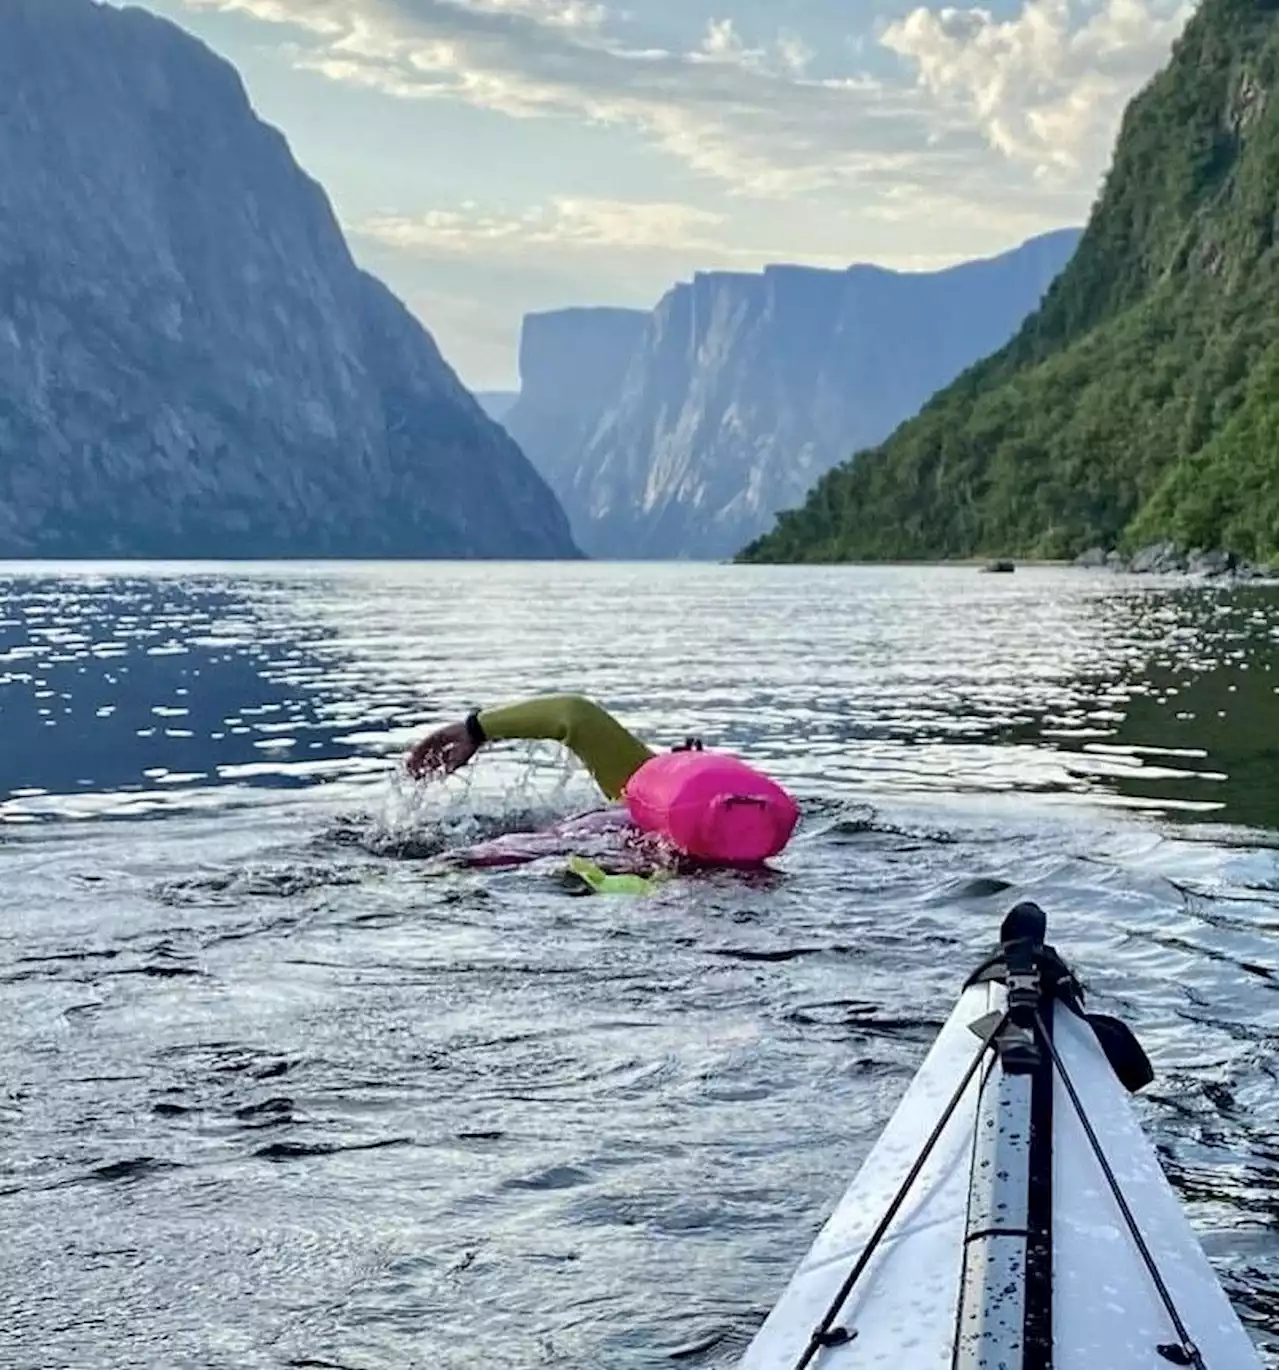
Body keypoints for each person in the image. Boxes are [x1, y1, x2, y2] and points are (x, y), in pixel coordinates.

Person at [405, 693, 798, 874]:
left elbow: (574, 714)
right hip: (734, 887)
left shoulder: (636, 784)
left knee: (513, 851)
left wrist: (474, 728)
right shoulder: (762, 824)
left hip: (604, 854)